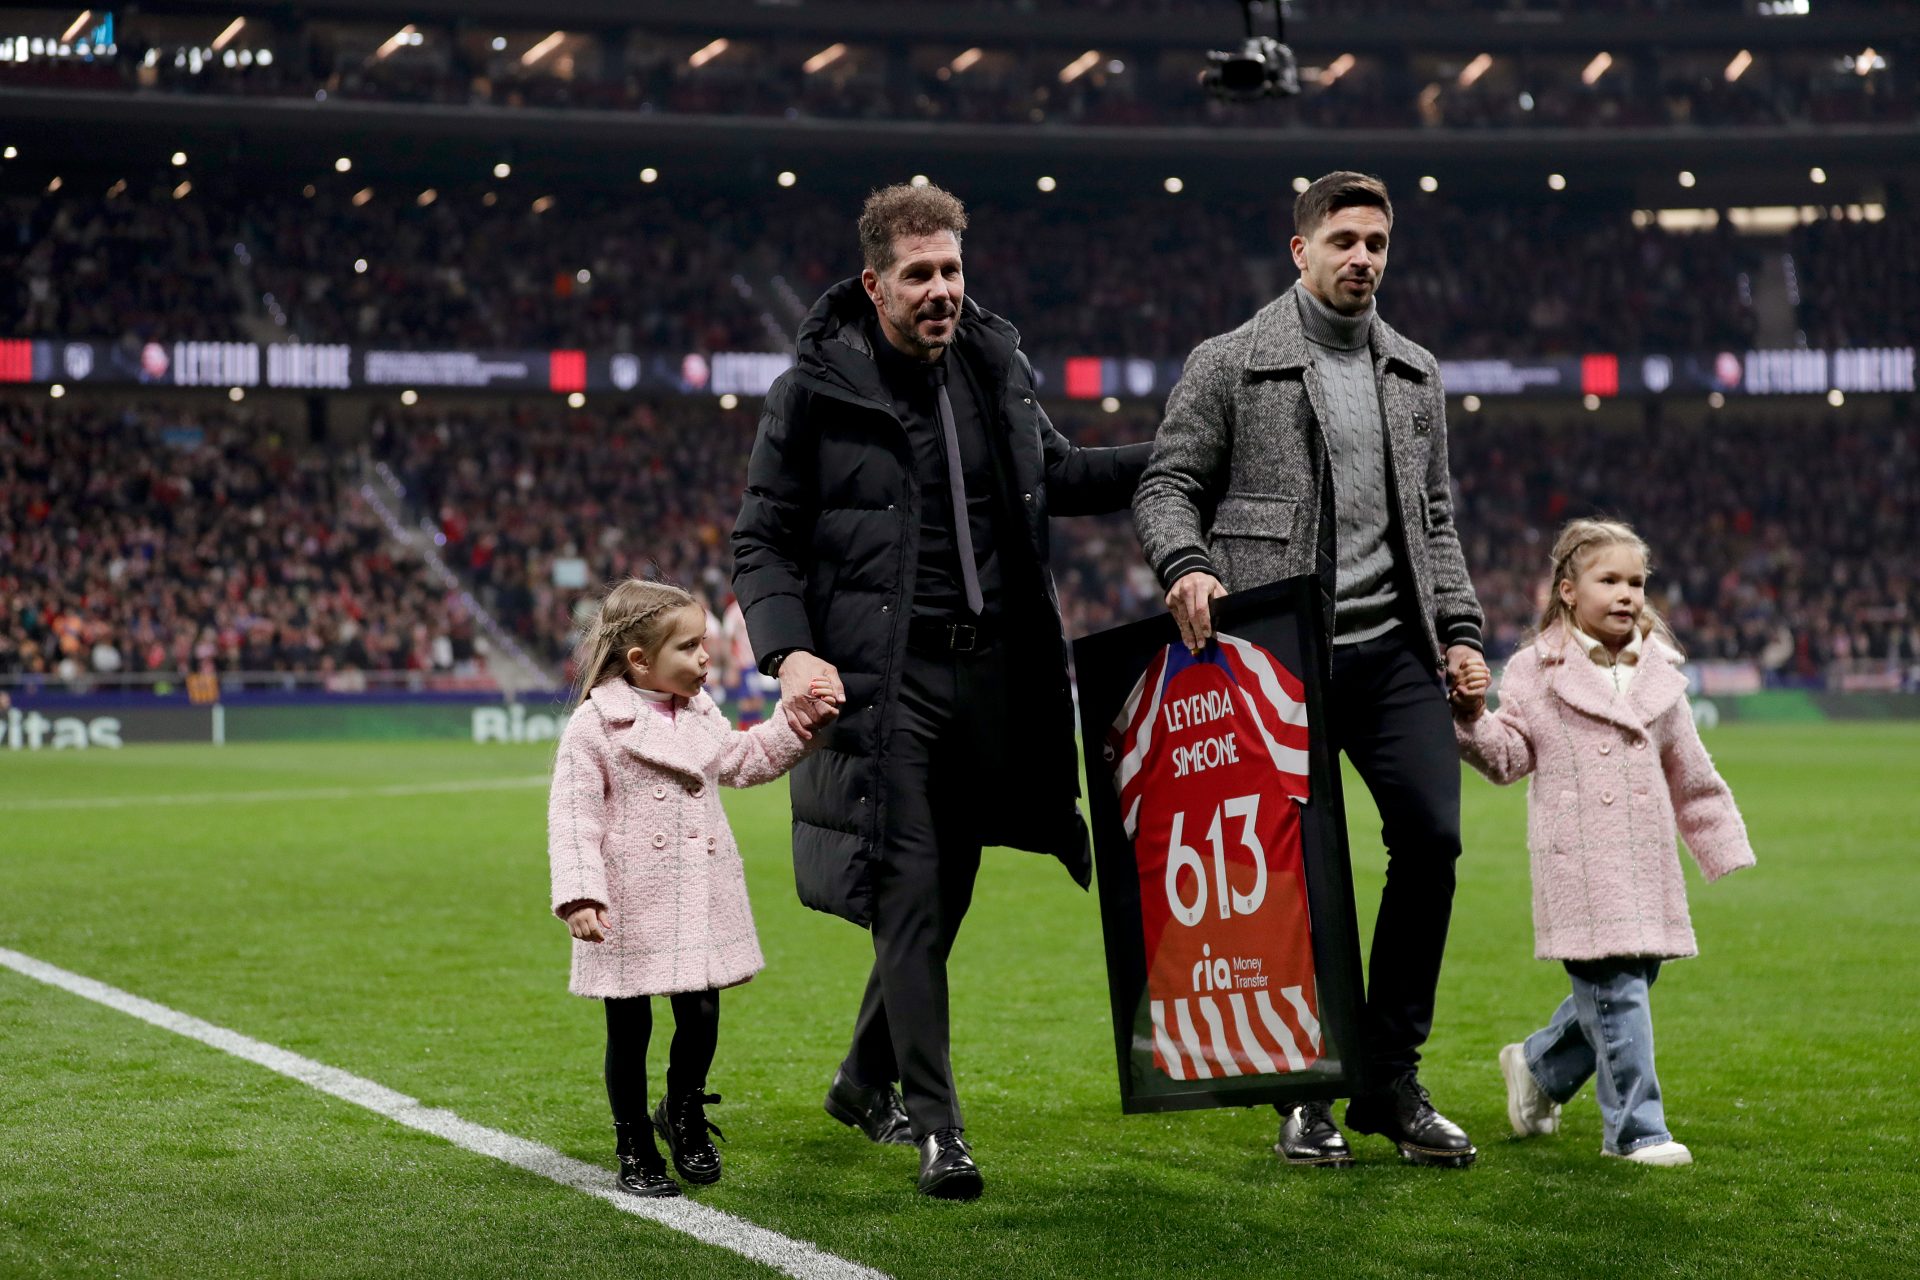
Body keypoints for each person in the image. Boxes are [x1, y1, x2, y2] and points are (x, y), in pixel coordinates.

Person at [730, 183, 1151, 1199]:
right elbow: (761, 541)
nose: (941, 291)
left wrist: (1184, 459)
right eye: (919, 274)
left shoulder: (995, 371)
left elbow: (1064, 477)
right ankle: (939, 1125)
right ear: (874, 283)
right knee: (911, 885)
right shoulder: (812, 392)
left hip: (993, 674)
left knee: (947, 887)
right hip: (887, 681)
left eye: (952, 270)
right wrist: (789, 654)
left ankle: (859, 1075)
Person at [1133, 171, 1486, 1168]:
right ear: (1302, 251)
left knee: (1433, 836)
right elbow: (1167, 484)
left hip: (1396, 652)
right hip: (1276, 659)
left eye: (1376, 242)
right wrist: (1187, 563)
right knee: (1300, 878)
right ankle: (1305, 1087)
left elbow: (1436, 522)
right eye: (1343, 240)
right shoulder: (1231, 362)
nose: (1362, 258)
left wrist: (1460, 630)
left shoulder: (1415, 370)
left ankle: (1389, 1075)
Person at [1452, 519, 1755, 1167]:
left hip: (1645, 863)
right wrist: (1472, 719)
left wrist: (1719, 841)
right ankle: (1636, 1131)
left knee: (1629, 983)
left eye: (1637, 582)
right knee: (1617, 989)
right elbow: (1507, 758)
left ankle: (1536, 1068)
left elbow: (1690, 771)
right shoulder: (1535, 672)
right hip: (1580, 865)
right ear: (1567, 590)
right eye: (1609, 580)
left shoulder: (1660, 675)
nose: (1627, 594)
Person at [546, 578, 838, 1197]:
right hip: (626, 902)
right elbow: (573, 817)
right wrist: (580, 894)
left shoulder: (699, 712)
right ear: (640, 661)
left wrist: (795, 723)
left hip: (698, 896)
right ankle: (633, 1139)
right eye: (689, 647)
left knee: (701, 1015)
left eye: (703, 643)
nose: (707, 657)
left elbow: (739, 759)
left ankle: (681, 1111)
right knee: (629, 1030)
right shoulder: (594, 727)